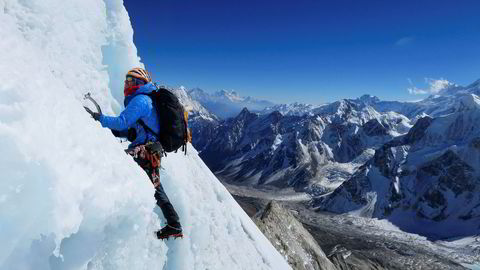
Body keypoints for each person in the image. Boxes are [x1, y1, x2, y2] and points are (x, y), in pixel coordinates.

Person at [86, 67, 182, 239]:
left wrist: (99, 119)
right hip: (150, 150)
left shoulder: (141, 100)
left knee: (120, 172)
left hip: (144, 151)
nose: (127, 84)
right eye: (126, 80)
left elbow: (122, 122)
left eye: (131, 81)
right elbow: (135, 128)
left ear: (139, 83)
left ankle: (170, 224)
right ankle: (174, 224)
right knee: (155, 187)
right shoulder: (146, 100)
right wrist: (122, 132)